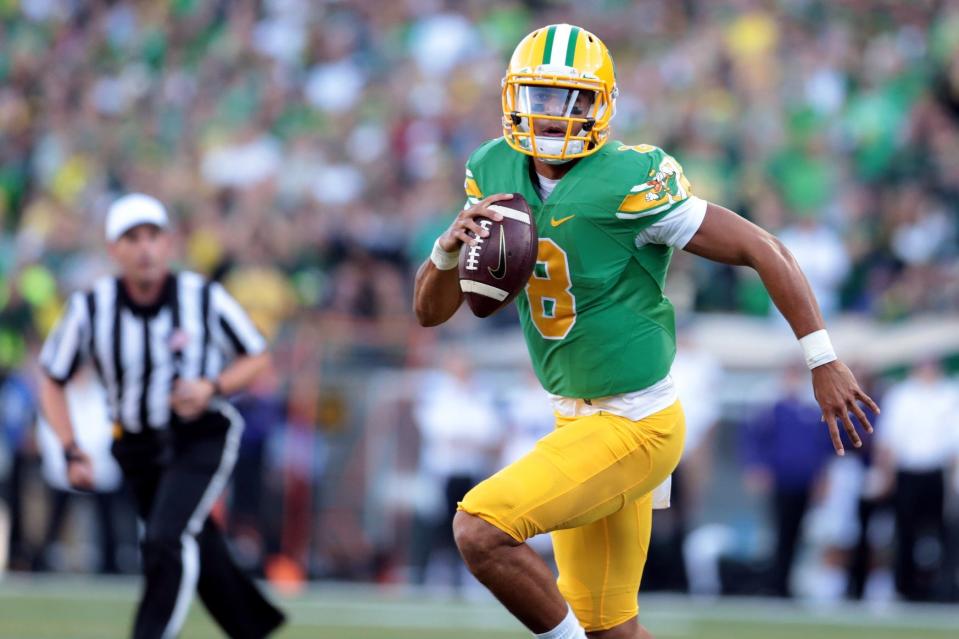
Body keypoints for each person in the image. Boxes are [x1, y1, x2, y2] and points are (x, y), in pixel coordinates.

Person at [413, 24, 879, 639]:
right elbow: (432, 312)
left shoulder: (631, 179)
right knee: (611, 628)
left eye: (568, 100)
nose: (550, 116)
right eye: (538, 96)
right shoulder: (491, 167)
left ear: (599, 105)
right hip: (572, 417)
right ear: (511, 97)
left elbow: (763, 248)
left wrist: (821, 358)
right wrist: (448, 251)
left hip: (636, 424)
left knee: (479, 529)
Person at [37, 194, 285, 638]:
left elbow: (258, 357)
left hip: (201, 434)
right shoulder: (91, 308)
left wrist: (212, 386)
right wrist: (70, 446)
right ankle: (254, 628)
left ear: (169, 243)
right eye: (132, 239)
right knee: (194, 541)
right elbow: (52, 375)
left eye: (153, 236)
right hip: (135, 446)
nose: (145, 248)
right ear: (114, 250)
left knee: (164, 539)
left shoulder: (202, 296)